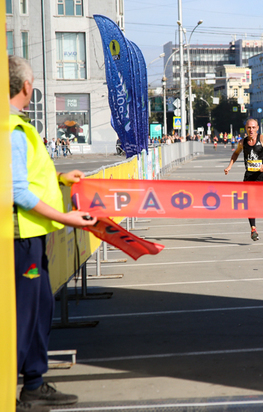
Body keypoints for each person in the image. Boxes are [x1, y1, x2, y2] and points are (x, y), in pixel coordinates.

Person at [9, 55, 98, 412]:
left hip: (32, 237)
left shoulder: (18, 127)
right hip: (23, 238)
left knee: (40, 307)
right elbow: (17, 191)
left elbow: (29, 177)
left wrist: (60, 179)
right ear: (27, 86)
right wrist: (66, 217)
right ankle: (15, 388)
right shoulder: (13, 129)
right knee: (25, 315)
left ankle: (33, 383)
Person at [224, 119, 263, 241]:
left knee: (260, 202)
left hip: (262, 176)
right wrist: (229, 166)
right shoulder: (242, 142)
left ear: (257, 128)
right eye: (249, 128)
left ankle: (255, 217)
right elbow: (235, 154)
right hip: (249, 176)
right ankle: (253, 229)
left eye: (253, 127)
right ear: (246, 128)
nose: (251, 130)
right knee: (250, 203)